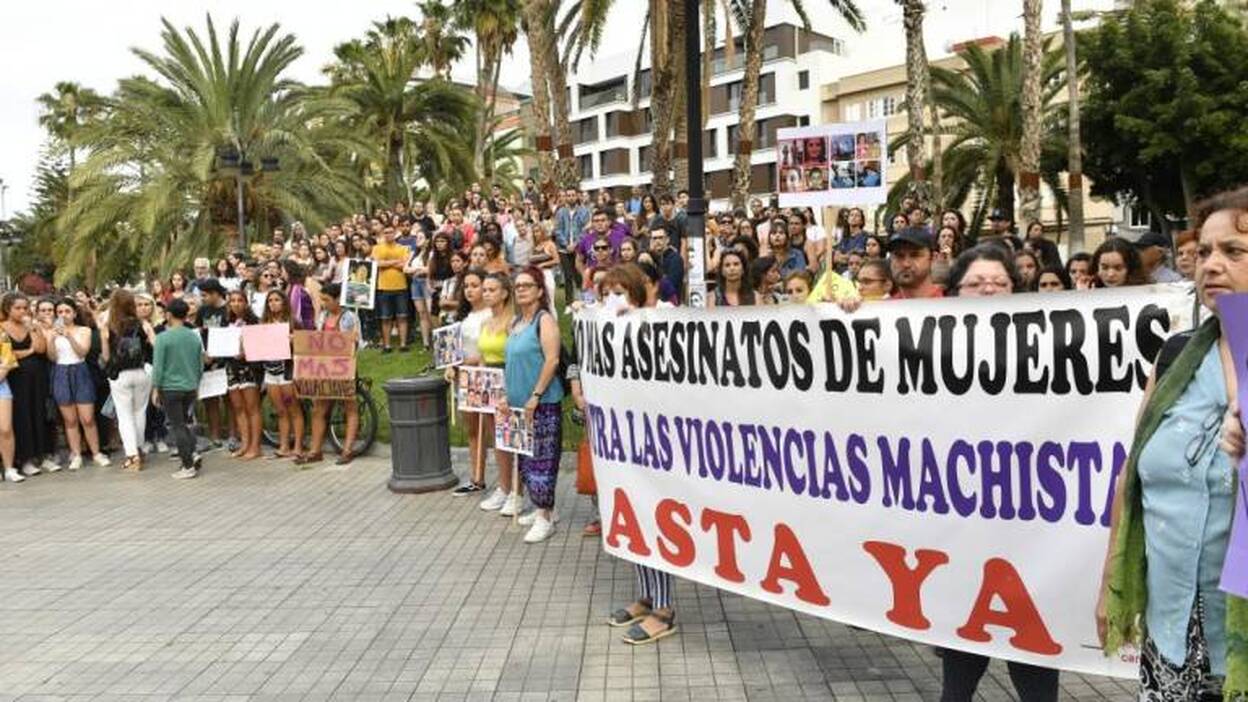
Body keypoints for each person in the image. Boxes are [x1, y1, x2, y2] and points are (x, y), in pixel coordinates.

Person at [1098, 186, 1248, 700]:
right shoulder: (1175, 357)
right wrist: (1108, 586)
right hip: (1172, 630)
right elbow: (1131, 475)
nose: (1211, 265)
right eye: (1204, 252)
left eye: (1234, 251)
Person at [939, 244, 1061, 701]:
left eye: (1000, 283)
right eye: (976, 283)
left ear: (1017, 289)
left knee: (1035, 670)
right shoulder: (924, 342)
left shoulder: (1047, 344)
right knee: (958, 676)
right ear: (955, 292)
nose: (988, 289)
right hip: (962, 536)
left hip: (1031, 537)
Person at [498, 266, 564, 544]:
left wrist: (536, 395)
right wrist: (505, 395)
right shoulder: (515, 323)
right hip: (516, 405)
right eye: (517, 285)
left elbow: (552, 360)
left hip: (542, 403)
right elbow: (510, 363)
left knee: (543, 462)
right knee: (525, 461)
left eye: (527, 285)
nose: (521, 289)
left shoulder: (544, 320)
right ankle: (543, 508)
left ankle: (544, 517)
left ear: (539, 290)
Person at [299, 283, 360, 466]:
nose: (324, 304)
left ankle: (347, 449)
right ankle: (315, 450)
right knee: (318, 409)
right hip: (325, 367)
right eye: (322, 299)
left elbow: (355, 343)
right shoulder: (323, 316)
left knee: (350, 407)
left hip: (343, 367)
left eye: (326, 300)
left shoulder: (350, 317)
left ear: (337, 299)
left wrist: (354, 340)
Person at [476, 273, 520, 517]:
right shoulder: (485, 323)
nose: (487, 293)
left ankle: (517, 491)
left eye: (492, 289)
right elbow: (483, 354)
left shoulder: (512, 322)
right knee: (497, 439)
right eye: (485, 289)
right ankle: (504, 487)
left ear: (504, 293)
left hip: (509, 378)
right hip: (489, 381)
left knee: (513, 436)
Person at [47, 297, 107, 471]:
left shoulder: (84, 330)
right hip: (60, 372)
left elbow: (82, 353)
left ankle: (96, 453)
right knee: (70, 419)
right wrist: (51, 339)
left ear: (74, 313)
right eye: (59, 312)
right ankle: (76, 454)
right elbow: (52, 357)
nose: (63, 315)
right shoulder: (51, 332)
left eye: (67, 311)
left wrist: (69, 336)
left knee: (87, 418)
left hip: (80, 371)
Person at [100, 289, 156, 472]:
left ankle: (132, 456)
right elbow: (155, 345)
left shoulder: (109, 326)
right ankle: (139, 449)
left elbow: (106, 356)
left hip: (119, 375)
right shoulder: (143, 324)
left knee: (124, 415)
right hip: (142, 372)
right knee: (140, 412)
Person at [447, 268, 492, 496]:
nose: (469, 290)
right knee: (473, 429)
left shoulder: (492, 315)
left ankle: (507, 482)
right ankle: (477, 477)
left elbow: (489, 350)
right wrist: (450, 365)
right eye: (466, 286)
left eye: (475, 285)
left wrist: (468, 361)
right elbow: (452, 347)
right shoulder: (463, 317)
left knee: (490, 428)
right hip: (464, 377)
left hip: (485, 377)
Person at [150, 298, 204, 480]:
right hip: (190, 386)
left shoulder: (163, 338)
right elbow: (200, 363)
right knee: (186, 423)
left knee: (178, 426)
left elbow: (158, 367)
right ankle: (193, 452)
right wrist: (196, 383)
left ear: (169, 315)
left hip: (170, 388)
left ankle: (187, 465)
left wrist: (155, 388)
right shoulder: (193, 336)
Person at [261, 290, 304, 461]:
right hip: (270, 371)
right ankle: (284, 445)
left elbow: (306, 343)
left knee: (293, 408)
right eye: (270, 300)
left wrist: (295, 340)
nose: (273, 303)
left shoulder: (293, 322)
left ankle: (298, 446)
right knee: (280, 410)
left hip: (287, 370)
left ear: (284, 302)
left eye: (277, 300)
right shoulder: (264, 323)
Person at [224, 289, 263, 460]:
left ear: (246, 303)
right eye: (232, 300)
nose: (236, 304)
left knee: (252, 408)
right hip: (232, 366)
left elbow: (260, 347)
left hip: (249, 368)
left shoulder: (254, 322)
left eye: (239, 300)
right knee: (238, 407)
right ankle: (245, 443)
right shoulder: (227, 322)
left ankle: (255, 445)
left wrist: (246, 352)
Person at [371, 226, 412, 353]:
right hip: (383, 287)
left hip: (401, 286)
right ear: (383, 234)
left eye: (390, 232)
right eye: (386, 232)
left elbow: (404, 264)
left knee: (402, 316)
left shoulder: (403, 248)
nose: (388, 234)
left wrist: (386, 263)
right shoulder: (377, 248)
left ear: (395, 233)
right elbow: (377, 264)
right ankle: (387, 345)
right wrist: (395, 262)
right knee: (385, 317)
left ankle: (403, 344)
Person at [888, 227, 943, 299]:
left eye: (915, 255)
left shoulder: (951, 307)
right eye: (898, 256)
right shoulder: (884, 307)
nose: (906, 264)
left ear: (933, 258)